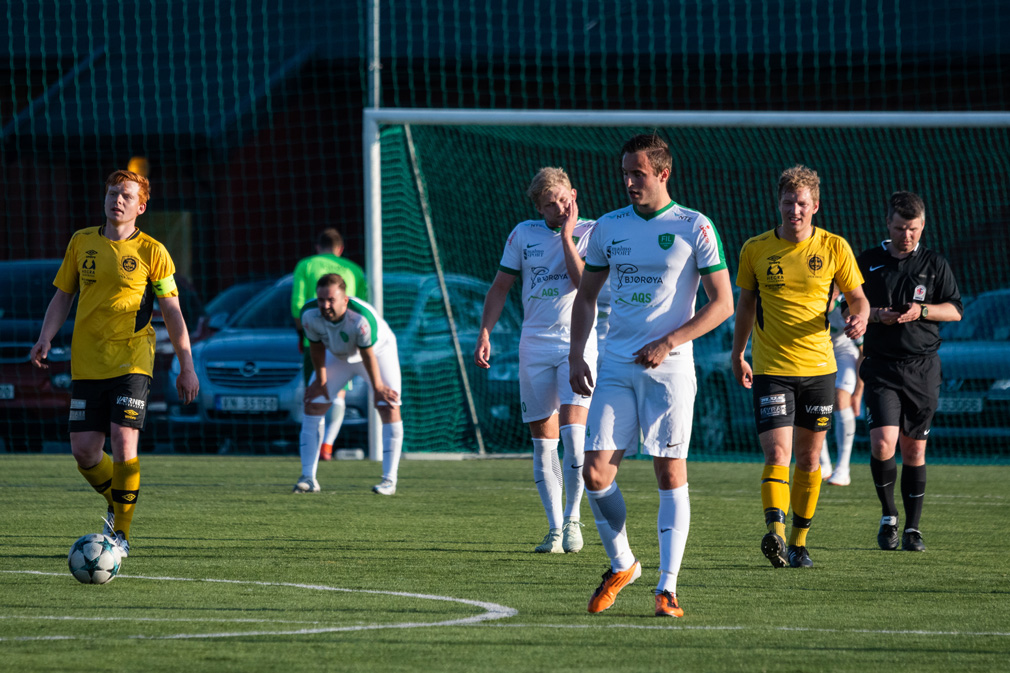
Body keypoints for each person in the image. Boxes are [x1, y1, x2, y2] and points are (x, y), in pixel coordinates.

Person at [569, 134, 734, 617]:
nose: (629, 182)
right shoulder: (608, 227)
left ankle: (667, 588)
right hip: (616, 365)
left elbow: (723, 303)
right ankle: (623, 563)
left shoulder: (694, 226)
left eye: (637, 173)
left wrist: (670, 342)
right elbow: (586, 296)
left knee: (669, 471)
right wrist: (578, 354)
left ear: (663, 173)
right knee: (594, 472)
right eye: (625, 173)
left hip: (671, 369)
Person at [30, 170, 200, 558]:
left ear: (141, 207)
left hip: (132, 360)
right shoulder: (81, 242)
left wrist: (187, 366)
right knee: (84, 452)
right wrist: (45, 337)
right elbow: (63, 296)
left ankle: (120, 534)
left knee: (124, 442)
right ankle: (120, 498)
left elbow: (173, 312)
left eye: (126, 195)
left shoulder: (153, 251)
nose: (117, 200)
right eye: (112, 193)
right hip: (87, 362)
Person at [731, 165, 869, 569]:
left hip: (819, 370)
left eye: (802, 203)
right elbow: (745, 306)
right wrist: (738, 354)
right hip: (771, 369)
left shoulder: (834, 247)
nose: (795, 210)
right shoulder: (755, 249)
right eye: (789, 202)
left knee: (810, 460)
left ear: (816, 206)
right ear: (779, 203)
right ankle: (774, 534)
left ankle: (798, 543)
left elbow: (858, 298)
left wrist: (860, 316)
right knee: (777, 453)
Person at [475, 167, 597, 554]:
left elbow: (583, 284)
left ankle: (574, 520)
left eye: (564, 200)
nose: (560, 208)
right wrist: (485, 332)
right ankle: (555, 529)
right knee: (544, 444)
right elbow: (500, 287)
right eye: (550, 204)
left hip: (578, 344)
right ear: (538, 208)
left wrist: (567, 236)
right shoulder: (522, 234)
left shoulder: (591, 231)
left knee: (574, 437)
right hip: (534, 345)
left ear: (573, 195)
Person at [851, 191, 962, 552]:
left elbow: (955, 310)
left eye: (913, 229)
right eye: (900, 228)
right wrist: (875, 315)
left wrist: (922, 311)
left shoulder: (934, 264)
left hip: (922, 368)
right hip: (881, 366)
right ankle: (889, 518)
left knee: (914, 450)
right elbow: (849, 307)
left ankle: (913, 529)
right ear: (888, 224)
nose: (906, 235)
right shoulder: (868, 261)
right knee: (882, 443)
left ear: (923, 226)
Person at [294, 274, 403, 495]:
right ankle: (308, 478)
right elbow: (315, 347)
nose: (325, 305)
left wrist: (378, 388)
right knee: (314, 402)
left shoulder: (360, 318)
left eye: (331, 300)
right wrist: (321, 381)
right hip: (339, 356)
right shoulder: (309, 314)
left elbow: (367, 355)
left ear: (345, 300)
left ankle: (389, 481)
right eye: (321, 299)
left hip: (377, 354)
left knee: (388, 405)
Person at [291, 228, 367, 461]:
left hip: (313, 337)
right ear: (340, 249)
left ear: (318, 247)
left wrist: (301, 333)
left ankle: (314, 446)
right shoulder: (354, 269)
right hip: (345, 340)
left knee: (315, 391)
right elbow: (362, 306)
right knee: (339, 393)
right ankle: (327, 445)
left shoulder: (306, 265)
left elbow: (297, 305)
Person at [818, 285, 865, 486]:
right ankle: (823, 465)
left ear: (836, 294)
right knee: (814, 405)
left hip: (844, 352)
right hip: (817, 354)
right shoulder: (809, 306)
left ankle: (843, 469)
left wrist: (858, 393)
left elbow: (863, 352)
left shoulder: (844, 312)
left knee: (840, 399)